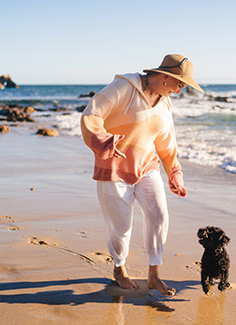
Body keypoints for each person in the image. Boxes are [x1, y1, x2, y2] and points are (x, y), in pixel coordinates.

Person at [80, 54, 204, 296]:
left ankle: (154, 275)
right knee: (121, 227)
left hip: (147, 167)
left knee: (159, 214)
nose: (180, 91)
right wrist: (102, 139)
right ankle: (119, 268)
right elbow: (91, 114)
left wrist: (175, 172)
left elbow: (166, 143)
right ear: (166, 78)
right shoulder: (124, 87)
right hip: (114, 168)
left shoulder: (165, 102)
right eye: (180, 84)